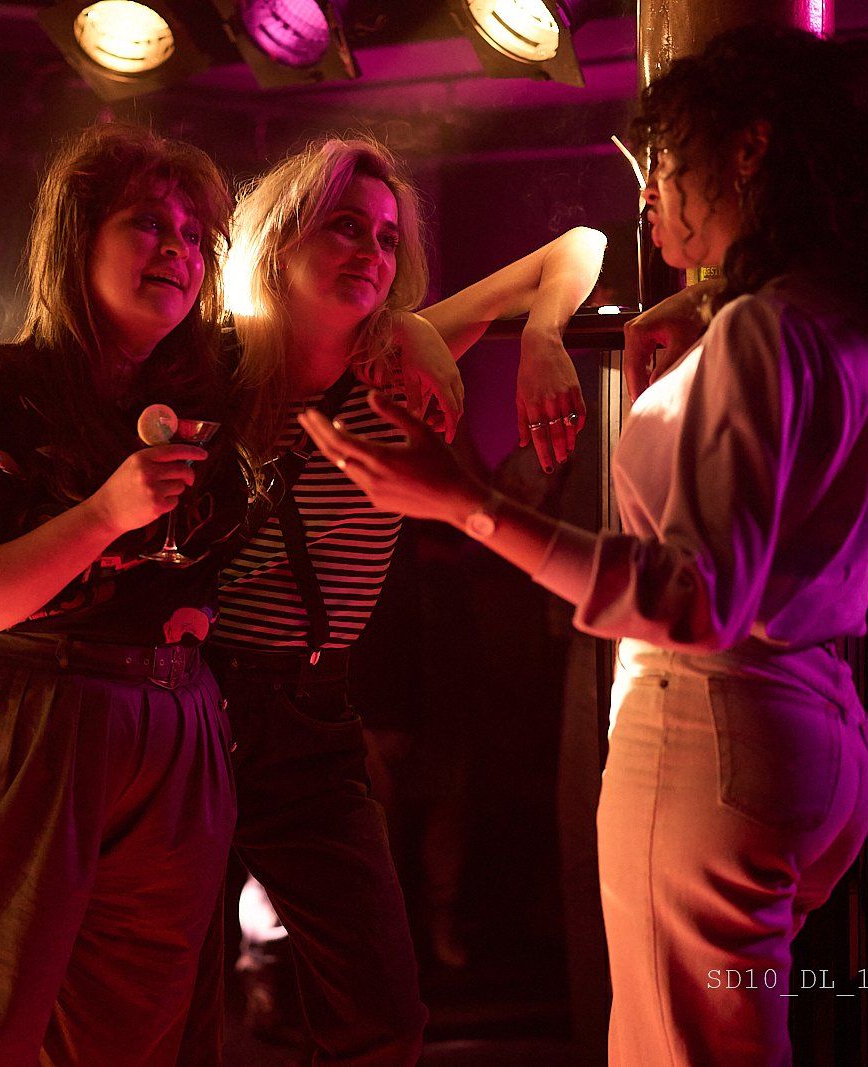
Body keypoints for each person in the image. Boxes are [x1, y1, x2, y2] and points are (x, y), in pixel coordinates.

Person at [299, 26, 868, 1064]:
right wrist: (699, 310)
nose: (650, 189)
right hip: (821, 727)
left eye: (668, 158)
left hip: (712, 727)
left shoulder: (762, 328)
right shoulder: (852, 315)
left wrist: (468, 502)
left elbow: (696, 595)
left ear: (748, 151)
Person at [182, 135, 604, 1065]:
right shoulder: (208, 366)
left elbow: (579, 246)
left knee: (381, 1013)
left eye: (384, 236)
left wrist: (540, 337)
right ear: (280, 238)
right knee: (177, 1018)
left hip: (313, 715)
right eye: (344, 227)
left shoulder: (395, 360)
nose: (371, 252)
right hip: (191, 708)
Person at [0, 123, 249, 1066]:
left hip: (173, 720)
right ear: (78, 241)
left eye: (194, 235)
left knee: (133, 1043)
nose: (177, 249)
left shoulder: (211, 386)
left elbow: (355, 336)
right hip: (25, 713)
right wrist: (104, 514)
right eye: (148, 223)